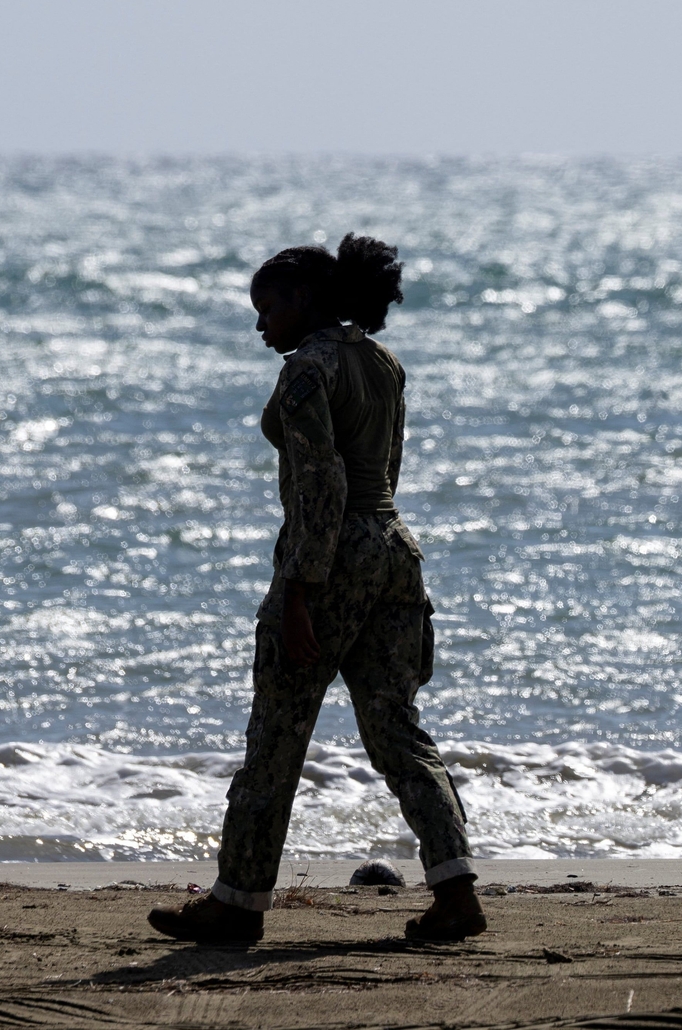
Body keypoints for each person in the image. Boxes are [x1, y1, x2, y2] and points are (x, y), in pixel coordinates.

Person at [148, 234, 484, 947]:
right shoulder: (385, 363)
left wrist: (299, 589)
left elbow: (321, 483)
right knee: (397, 731)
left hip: (330, 557)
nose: (261, 324)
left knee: (276, 734)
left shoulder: (308, 370)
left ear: (304, 300)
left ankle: (237, 903)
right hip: (396, 553)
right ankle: (455, 892)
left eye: (268, 308)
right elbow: (382, 473)